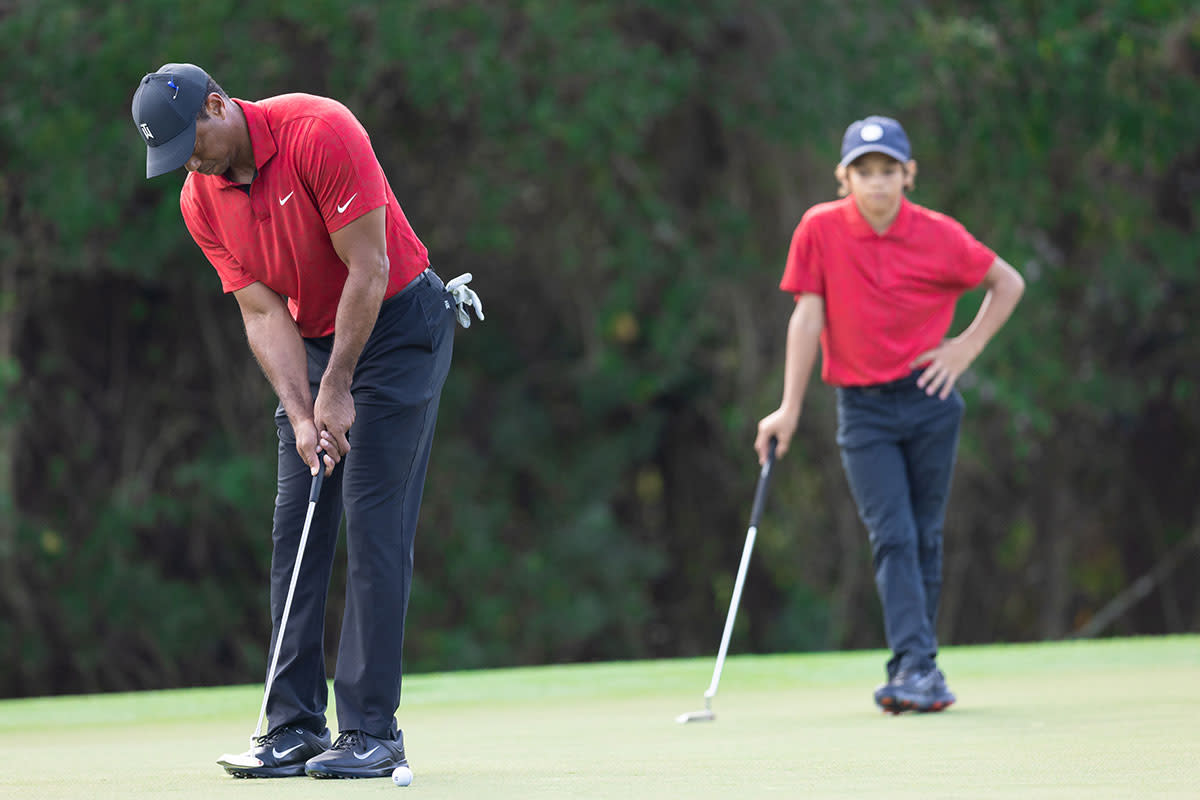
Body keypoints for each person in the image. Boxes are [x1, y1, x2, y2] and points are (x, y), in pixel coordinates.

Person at [130, 63, 482, 778]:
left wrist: (339, 386)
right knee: (299, 522)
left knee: (371, 513)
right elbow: (261, 312)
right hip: (316, 339)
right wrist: (300, 409)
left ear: (219, 105)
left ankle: (372, 733)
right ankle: (293, 724)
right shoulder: (200, 200)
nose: (189, 166)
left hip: (399, 325)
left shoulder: (319, 131)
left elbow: (370, 270)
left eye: (190, 145)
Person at [755, 115, 1024, 713]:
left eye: (887, 171)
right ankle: (916, 667)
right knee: (894, 536)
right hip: (863, 409)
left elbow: (1007, 283)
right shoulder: (819, 230)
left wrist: (966, 347)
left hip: (928, 399)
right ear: (843, 177)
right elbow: (807, 316)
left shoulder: (940, 234)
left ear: (909, 174)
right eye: (863, 172)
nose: (876, 184)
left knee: (924, 537)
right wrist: (789, 408)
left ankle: (915, 667)